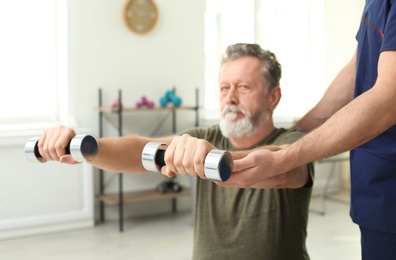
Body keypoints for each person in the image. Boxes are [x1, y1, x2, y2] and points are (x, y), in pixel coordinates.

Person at [38, 43, 314, 260]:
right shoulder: (205, 137)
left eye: (243, 87)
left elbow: (280, 166)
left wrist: (208, 158)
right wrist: (84, 147)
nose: (230, 97)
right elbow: (139, 150)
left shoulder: (295, 143)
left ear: (273, 97)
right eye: (224, 88)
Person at [233, 2, 396, 259]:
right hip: (376, 194)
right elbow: (358, 69)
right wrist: (296, 132)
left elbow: (389, 99)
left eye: (243, 87)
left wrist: (284, 157)